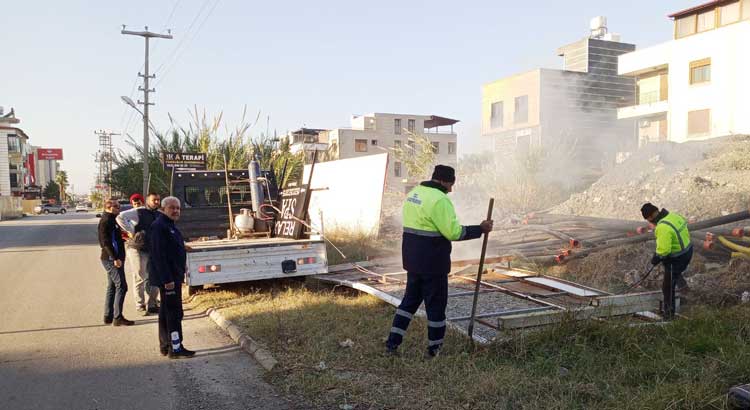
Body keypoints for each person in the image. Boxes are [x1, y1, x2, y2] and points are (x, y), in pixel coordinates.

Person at [385, 165, 493, 357]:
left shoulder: (414, 194)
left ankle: (392, 344)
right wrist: (480, 229)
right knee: (436, 307)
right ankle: (435, 350)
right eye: (451, 184)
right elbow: (454, 232)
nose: (451, 189)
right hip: (433, 263)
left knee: (408, 302)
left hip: (412, 260)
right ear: (444, 181)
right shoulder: (440, 200)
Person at [148, 196, 195, 359]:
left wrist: (182, 247)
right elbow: (158, 255)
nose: (176, 211)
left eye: (178, 208)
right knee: (173, 314)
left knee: (165, 312)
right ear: (163, 209)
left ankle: (166, 345)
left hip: (173, 276)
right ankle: (176, 348)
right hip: (168, 279)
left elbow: (169, 247)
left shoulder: (169, 225)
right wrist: (167, 279)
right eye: (172, 208)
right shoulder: (159, 226)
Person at [641, 202, 693, 320]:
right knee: (671, 270)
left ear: (649, 218)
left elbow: (663, 251)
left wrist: (655, 259)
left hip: (679, 257)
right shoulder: (673, 216)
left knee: (667, 286)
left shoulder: (662, 227)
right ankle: (684, 288)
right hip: (688, 250)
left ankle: (669, 316)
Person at [116, 192, 161, 314]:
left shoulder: (159, 214)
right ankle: (140, 305)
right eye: (154, 200)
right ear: (147, 201)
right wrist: (131, 230)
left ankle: (152, 304)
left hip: (152, 249)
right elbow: (120, 217)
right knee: (140, 277)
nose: (156, 202)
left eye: (158, 200)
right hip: (137, 248)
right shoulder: (139, 211)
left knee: (155, 277)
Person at [98, 198, 134, 326]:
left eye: (118, 206)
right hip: (111, 258)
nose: (118, 208)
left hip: (115, 257)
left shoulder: (112, 220)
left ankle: (108, 315)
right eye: (115, 206)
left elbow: (116, 239)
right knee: (122, 286)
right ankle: (117, 317)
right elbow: (105, 243)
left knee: (112, 286)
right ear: (108, 207)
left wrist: (125, 237)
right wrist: (115, 258)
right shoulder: (106, 221)